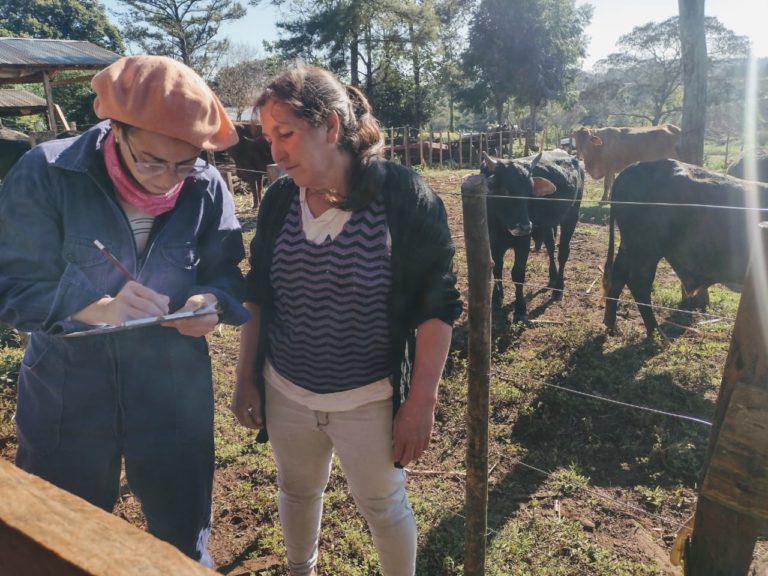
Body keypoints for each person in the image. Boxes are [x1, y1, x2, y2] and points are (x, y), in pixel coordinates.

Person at [0, 55, 250, 566]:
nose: (167, 180)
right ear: (115, 131)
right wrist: (96, 308)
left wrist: (212, 303)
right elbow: (11, 285)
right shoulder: (48, 173)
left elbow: (226, 274)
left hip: (173, 392)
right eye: (152, 161)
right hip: (68, 390)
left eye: (185, 164)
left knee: (181, 540)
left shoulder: (206, 186)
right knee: (59, 537)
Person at [231, 63, 462, 576]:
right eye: (270, 137)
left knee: (382, 505)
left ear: (332, 126)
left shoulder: (402, 197)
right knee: (296, 488)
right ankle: (300, 569)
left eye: (285, 134)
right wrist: (247, 376)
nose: (274, 152)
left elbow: (437, 304)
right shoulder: (279, 201)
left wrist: (421, 401)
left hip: (369, 398)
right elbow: (258, 294)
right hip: (287, 388)